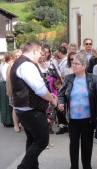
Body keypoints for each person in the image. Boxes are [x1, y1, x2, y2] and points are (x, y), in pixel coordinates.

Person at [10, 40, 58, 169]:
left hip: (25, 108)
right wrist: (52, 99)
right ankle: (23, 167)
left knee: (32, 140)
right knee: (42, 140)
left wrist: (49, 94)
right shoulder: (26, 65)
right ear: (34, 51)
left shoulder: (23, 63)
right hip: (31, 109)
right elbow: (39, 89)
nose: (41, 55)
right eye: (40, 52)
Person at [58, 53, 97, 169]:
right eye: (73, 63)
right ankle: (74, 166)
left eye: (77, 64)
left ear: (84, 66)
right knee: (74, 144)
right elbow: (61, 93)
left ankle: (87, 166)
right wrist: (61, 102)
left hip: (88, 118)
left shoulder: (93, 78)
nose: (74, 65)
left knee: (87, 143)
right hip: (73, 117)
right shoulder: (69, 78)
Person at [6, 50, 22, 132]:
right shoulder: (11, 65)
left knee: (23, 108)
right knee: (15, 108)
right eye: (15, 55)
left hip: (23, 90)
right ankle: (16, 125)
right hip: (14, 90)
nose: (17, 57)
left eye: (19, 55)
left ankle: (22, 124)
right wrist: (11, 91)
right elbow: (8, 80)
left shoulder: (23, 64)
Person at [0, 54, 14, 127]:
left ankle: (10, 121)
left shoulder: (7, 65)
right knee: (5, 103)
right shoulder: (4, 66)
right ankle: (6, 121)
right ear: (8, 60)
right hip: (5, 85)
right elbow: (5, 78)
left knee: (10, 104)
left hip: (8, 84)